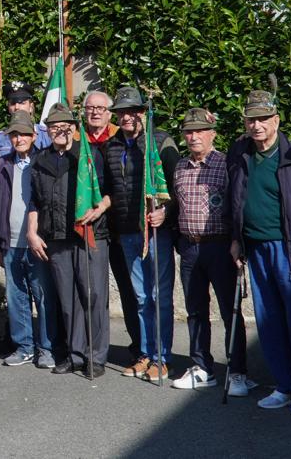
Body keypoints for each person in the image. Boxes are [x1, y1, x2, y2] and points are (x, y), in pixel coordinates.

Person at [226, 89, 291, 416]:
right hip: (254, 246)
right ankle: (284, 385)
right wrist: (236, 240)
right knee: (268, 321)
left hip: (290, 248)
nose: (257, 125)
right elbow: (233, 200)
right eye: (251, 119)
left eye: (263, 119)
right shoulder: (239, 152)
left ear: (276, 120)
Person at [169, 109, 255, 396]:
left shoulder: (226, 164)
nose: (193, 137)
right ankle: (201, 366)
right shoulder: (180, 167)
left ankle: (239, 371)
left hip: (220, 246)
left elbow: (237, 206)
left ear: (212, 134)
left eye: (199, 131)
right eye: (188, 132)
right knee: (195, 310)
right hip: (190, 247)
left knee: (230, 312)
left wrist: (237, 243)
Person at [103, 86, 180, 383]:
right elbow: (109, 189)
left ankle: (163, 358)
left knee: (159, 296)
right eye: (122, 112)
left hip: (156, 232)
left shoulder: (160, 143)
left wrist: (166, 213)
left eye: (133, 111)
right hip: (128, 233)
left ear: (142, 113)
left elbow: (177, 189)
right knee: (140, 297)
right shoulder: (111, 147)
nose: (127, 117)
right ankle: (146, 354)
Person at [28, 105, 110, 377]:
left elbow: (108, 191)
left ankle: (95, 357)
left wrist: (98, 209)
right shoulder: (40, 160)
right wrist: (32, 232)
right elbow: (35, 200)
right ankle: (75, 355)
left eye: (65, 126)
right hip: (56, 237)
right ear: (47, 130)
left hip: (87, 235)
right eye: (54, 126)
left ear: (75, 129)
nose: (60, 131)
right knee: (68, 298)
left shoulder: (89, 155)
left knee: (93, 295)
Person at [0, 112, 53, 369]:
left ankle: (47, 348)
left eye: (24, 134)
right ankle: (24, 346)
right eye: (14, 134)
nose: (19, 139)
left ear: (34, 136)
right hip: (11, 241)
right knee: (16, 297)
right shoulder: (0, 165)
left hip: (38, 242)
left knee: (43, 295)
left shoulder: (44, 162)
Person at [82, 88, 140, 359]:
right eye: (90, 108)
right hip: (87, 230)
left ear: (109, 113)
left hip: (118, 228)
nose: (95, 112)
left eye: (100, 109)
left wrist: (106, 205)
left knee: (130, 290)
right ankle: (89, 347)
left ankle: (140, 347)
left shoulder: (119, 139)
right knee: (90, 292)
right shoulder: (76, 140)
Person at [0, 82, 52, 159]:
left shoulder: (46, 135)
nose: (16, 107)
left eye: (22, 103)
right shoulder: (0, 138)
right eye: (12, 103)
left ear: (31, 107)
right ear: (8, 108)